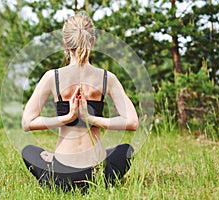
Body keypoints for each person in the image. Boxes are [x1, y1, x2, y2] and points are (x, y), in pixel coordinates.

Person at [21, 12, 138, 192]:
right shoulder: (107, 78)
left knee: (29, 151)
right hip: (97, 174)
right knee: (125, 150)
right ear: (92, 42)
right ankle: (103, 183)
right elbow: (132, 122)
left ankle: (55, 180)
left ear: (66, 44)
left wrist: (66, 118)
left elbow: (27, 123)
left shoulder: (53, 77)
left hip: (61, 176)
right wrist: (91, 118)